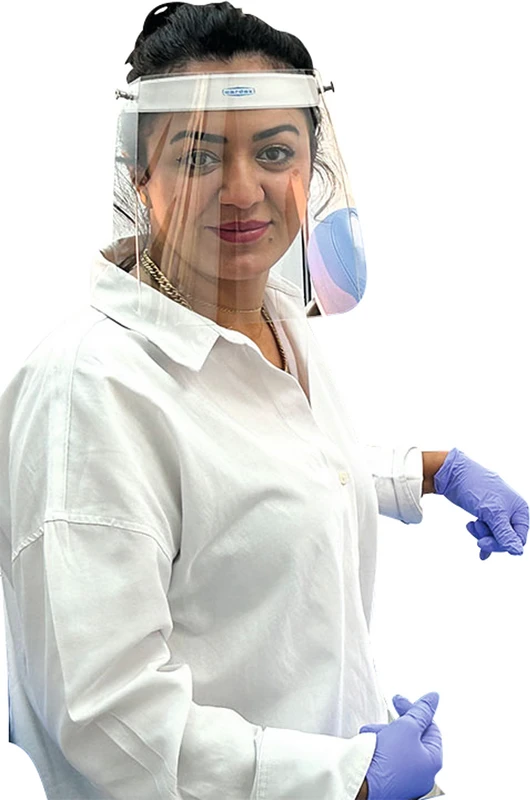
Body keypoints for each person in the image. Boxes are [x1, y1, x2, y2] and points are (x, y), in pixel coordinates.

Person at [0, 3, 527, 799]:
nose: (243, 190)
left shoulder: (273, 316)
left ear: (311, 167)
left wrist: (429, 470)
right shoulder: (90, 390)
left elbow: (251, 482)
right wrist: (351, 780)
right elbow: (106, 720)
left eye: (274, 151)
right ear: (140, 174)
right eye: (198, 155)